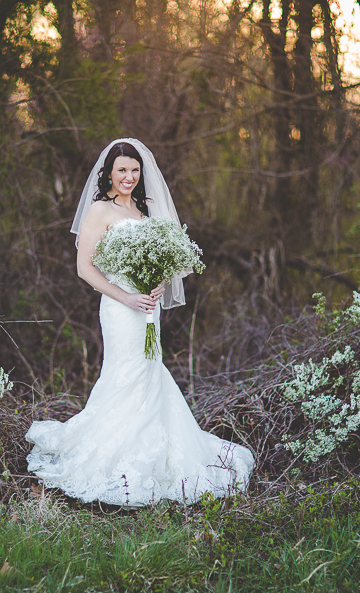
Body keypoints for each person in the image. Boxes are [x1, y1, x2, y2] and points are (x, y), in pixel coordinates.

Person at [25, 139, 254, 507]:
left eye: (134, 170)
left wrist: (158, 281)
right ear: (109, 174)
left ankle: (157, 450)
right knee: (124, 372)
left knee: (150, 370)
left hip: (149, 307)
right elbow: (84, 269)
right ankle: (114, 456)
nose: (128, 177)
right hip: (120, 307)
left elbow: (166, 258)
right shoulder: (100, 210)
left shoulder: (146, 211)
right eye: (121, 171)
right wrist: (126, 295)